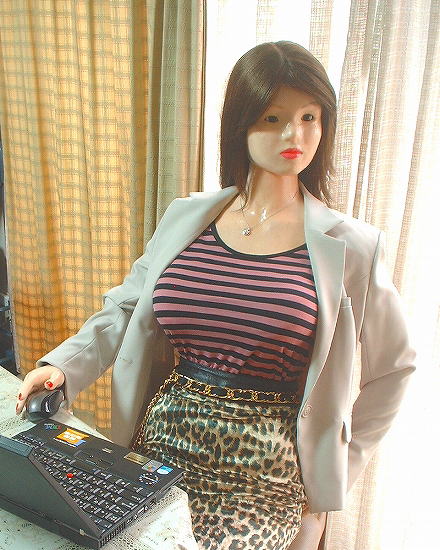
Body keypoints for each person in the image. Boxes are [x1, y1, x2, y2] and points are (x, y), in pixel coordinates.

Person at [15, 41, 416, 550]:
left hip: (264, 476)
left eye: (309, 117)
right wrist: (65, 366)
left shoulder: (351, 247)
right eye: (273, 118)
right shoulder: (189, 217)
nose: (294, 135)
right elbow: (127, 306)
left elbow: (395, 367)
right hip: (160, 447)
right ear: (241, 124)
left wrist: (338, 466)